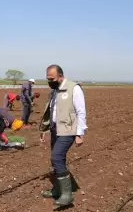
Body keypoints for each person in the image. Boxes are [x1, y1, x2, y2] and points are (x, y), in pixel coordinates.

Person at [39, 64, 87, 207]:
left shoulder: (74, 88)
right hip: (55, 129)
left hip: (68, 130)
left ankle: (67, 195)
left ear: (61, 76)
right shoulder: (54, 90)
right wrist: (44, 130)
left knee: (57, 157)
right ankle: (57, 190)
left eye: (52, 78)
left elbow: (81, 112)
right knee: (56, 160)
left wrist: (80, 134)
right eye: (47, 78)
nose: (49, 81)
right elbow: (50, 112)